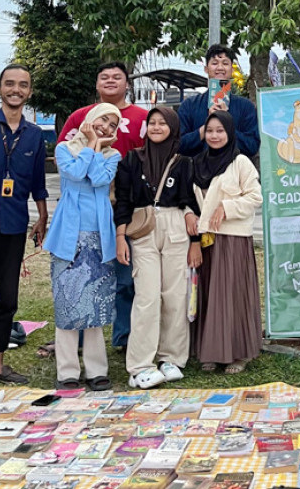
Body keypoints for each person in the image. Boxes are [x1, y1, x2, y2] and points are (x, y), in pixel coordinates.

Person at [58, 62, 148, 351]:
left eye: (117, 77)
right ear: (96, 84)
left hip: (126, 207)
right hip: (84, 209)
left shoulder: (142, 117)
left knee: (124, 275)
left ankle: (123, 337)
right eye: (104, 77)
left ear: (127, 83)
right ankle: (79, 336)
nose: (110, 81)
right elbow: (68, 163)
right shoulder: (79, 117)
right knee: (83, 272)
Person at [114, 107, 201, 389]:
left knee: (175, 295)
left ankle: (172, 358)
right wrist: (120, 237)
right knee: (147, 296)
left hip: (176, 226)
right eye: (152, 122)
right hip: (142, 228)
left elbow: (192, 200)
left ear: (173, 128)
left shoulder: (185, 162)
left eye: (163, 123)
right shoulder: (132, 159)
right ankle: (140, 365)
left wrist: (195, 238)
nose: (156, 127)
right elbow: (123, 200)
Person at [44, 103, 122, 391]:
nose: (107, 127)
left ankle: (96, 370)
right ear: (90, 119)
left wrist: (95, 148)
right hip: (68, 236)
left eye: (113, 125)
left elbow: (99, 179)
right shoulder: (65, 149)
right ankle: (67, 372)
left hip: (99, 237)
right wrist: (91, 144)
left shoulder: (114, 155)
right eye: (104, 119)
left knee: (96, 302)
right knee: (67, 301)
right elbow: (75, 175)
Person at [0, 64, 48, 384]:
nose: (16, 90)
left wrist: (42, 217)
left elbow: (38, 182)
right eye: (9, 84)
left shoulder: (34, 135)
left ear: (29, 92)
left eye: (22, 85)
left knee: (8, 298)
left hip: (13, 226)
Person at [191, 111, 263, 374]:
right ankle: (211, 350)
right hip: (207, 238)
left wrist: (228, 206)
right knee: (209, 294)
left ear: (230, 133)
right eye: (210, 130)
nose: (214, 135)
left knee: (232, 295)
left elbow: (256, 197)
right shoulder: (197, 162)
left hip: (233, 239)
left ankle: (238, 352)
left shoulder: (241, 162)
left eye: (220, 130)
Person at [178, 44, 260, 159]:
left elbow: (252, 147)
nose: (220, 68)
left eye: (225, 63)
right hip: (196, 174)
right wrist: (207, 127)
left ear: (231, 70)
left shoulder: (246, 106)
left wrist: (226, 124)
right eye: (214, 63)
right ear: (206, 69)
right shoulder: (189, 105)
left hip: (234, 174)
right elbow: (179, 145)